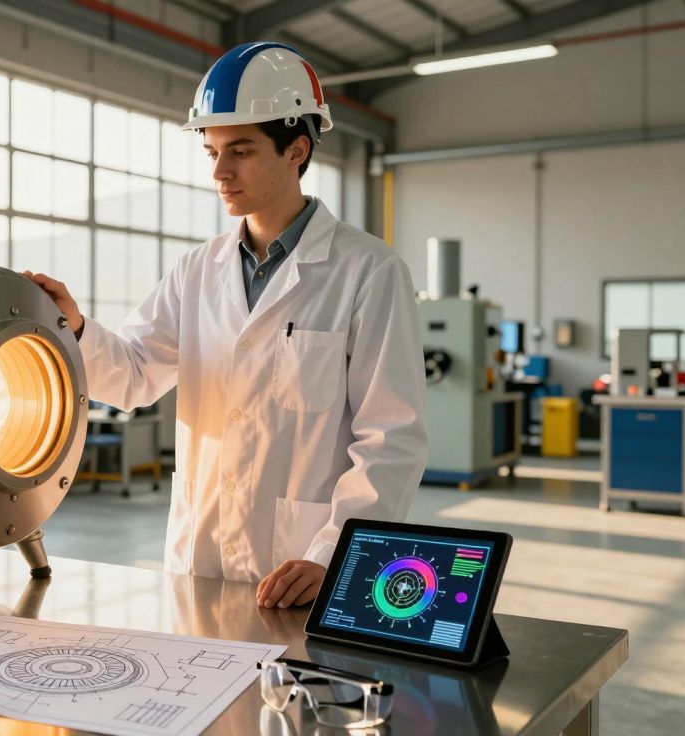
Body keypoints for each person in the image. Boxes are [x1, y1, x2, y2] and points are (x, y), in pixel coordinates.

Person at [24, 42, 427, 609]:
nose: (219, 170)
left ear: (297, 149)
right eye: (211, 150)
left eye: (240, 150)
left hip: (303, 571)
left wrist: (333, 552)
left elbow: (391, 439)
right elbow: (134, 377)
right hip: (201, 562)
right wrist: (78, 326)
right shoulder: (197, 270)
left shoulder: (367, 271)